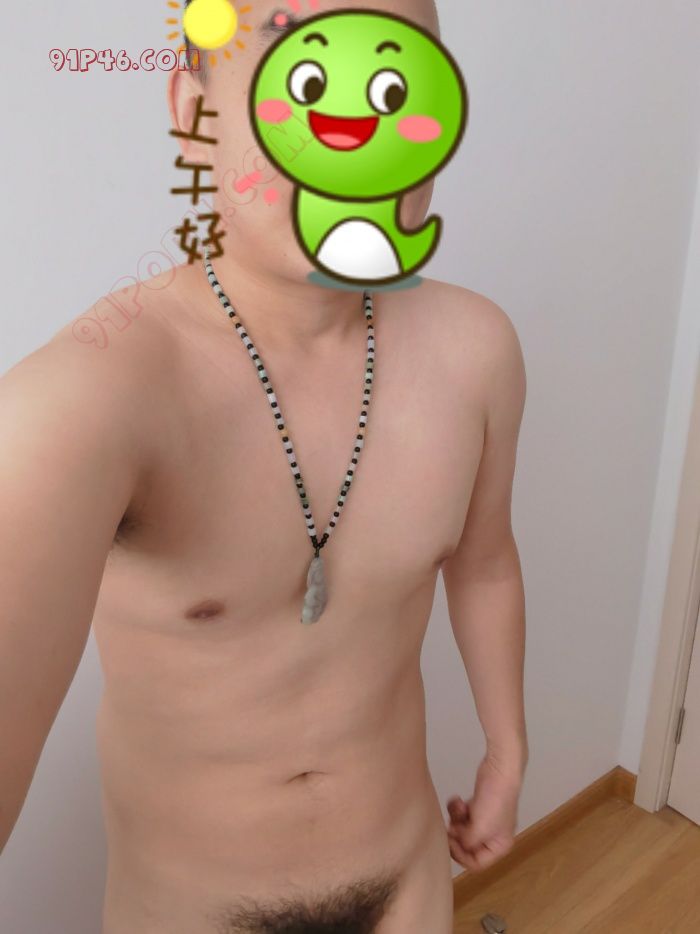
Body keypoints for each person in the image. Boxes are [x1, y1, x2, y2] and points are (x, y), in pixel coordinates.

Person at [0, 0, 528, 931]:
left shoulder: (477, 352)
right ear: (195, 115)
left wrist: (507, 749)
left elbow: (484, 564)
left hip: (410, 891)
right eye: (307, 73)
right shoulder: (88, 401)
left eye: (396, 80)